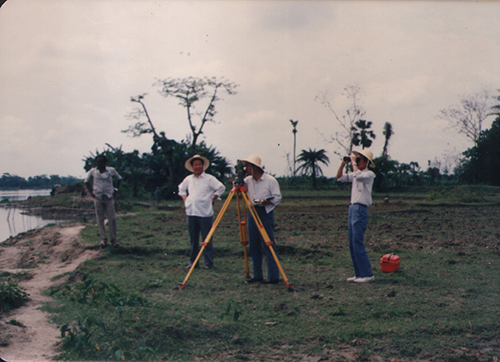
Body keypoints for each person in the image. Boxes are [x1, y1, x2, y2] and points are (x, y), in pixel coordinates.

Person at [178, 155, 226, 269]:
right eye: (195, 165)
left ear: (203, 166)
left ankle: (208, 263)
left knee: (207, 239)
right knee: (193, 239)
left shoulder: (209, 178)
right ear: (192, 167)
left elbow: (221, 187)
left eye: (200, 164)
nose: (198, 167)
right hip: (191, 212)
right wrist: (185, 198)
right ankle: (193, 263)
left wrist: (214, 197)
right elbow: (181, 189)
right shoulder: (188, 179)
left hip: (205, 213)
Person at [336, 149, 376, 283]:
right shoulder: (356, 174)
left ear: (366, 162)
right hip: (352, 207)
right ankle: (358, 273)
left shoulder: (369, 174)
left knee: (358, 242)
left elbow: (358, 176)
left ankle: (367, 274)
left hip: (360, 208)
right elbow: (339, 177)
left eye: (359, 159)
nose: (357, 162)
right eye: (356, 160)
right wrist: (343, 164)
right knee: (352, 243)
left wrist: (353, 162)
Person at [241, 155, 282, 284]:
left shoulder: (270, 180)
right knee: (254, 245)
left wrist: (267, 202)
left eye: (247, 166)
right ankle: (257, 275)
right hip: (252, 212)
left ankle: (273, 276)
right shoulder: (247, 180)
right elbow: (239, 189)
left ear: (255, 168)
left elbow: (277, 197)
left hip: (265, 212)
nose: (245, 169)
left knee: (268, 244)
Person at [85, 154, 122, 247]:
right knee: (100, 219)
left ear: (105, 162)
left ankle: (113, 240)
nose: (99, 163)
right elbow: (86, 181)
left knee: (112, 219)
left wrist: (115, 190)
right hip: (98, 197)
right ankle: (103, 239)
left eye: (101, 161)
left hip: (109, 197)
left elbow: (119, 178)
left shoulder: (111, 170)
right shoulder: (93, 171)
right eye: (98, 162)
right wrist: (91, 192)